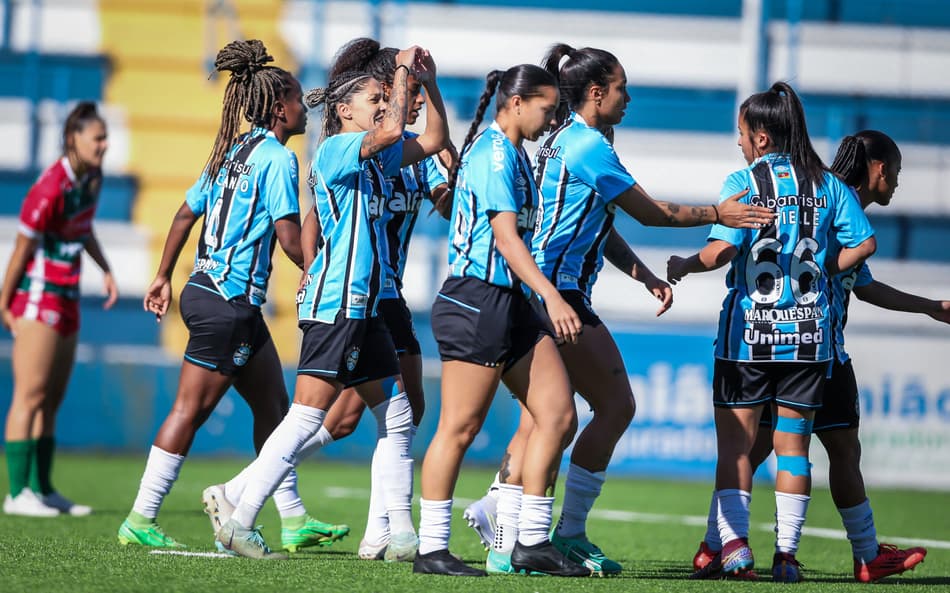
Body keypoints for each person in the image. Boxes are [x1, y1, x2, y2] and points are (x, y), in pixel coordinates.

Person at [460, 43, 775, 576]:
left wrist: (643, 274)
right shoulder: (587, 146)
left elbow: (598, 225)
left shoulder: (562, 139)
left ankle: (503, 529)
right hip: (558, 295)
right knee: (615, 406)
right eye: (622, 87)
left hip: (538, 291)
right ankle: (562, 532)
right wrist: (718, 212)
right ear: (597, 92)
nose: (629, 97)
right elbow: (651, 213)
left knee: (543, 419)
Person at [208, 43, 449, 560]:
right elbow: (390, 134)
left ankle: (398, 532)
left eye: (387, 99)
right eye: (374, 100)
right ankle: (240, 516)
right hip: (338, 302)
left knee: (399, 413)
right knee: (307, 418)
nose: (384, 108)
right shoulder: (339, 149)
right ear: (344, 111)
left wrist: (427, 83)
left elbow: (434, 140)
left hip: (364, 307)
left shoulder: (374, 150)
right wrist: (402, 68)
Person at [117, 40, 347, 553]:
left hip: (210, 292)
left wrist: (162, 277)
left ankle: (292, 519)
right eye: (294, 98)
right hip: (228, 302)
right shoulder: (276, 159)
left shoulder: (230, 152)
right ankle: (140, 515)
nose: (302, 106)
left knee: (274, 408)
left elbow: (183, 214)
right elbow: (290, 239)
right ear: (275, 109)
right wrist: (323, 269)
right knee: (189, 411)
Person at [690, 130, 944, 582]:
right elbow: (850, 270)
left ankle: (716, 546)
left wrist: (927, 308)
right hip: (816, 350)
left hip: (779, 346)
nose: (898, 182)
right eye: (897, 173)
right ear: (880, 170)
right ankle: (859, 555)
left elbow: (863, 285)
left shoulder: (819, 196)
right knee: (828, 450)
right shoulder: (832, 200)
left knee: (754, 447)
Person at [665, 81, 877, 582]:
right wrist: (824, 267)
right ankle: (786, 556)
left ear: (761, 136)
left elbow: (721, 253)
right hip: (809, 340)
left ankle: (736, 552)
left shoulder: (744, 181)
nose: (738, 142)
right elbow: (864, 246)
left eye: (741, 132)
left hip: (748, 338)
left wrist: (683, 264)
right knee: (794, 448)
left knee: (737, 450)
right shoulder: (829, 186)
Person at [413, 64, 591, 578]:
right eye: (546, 108)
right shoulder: (494, 154)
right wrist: (553, 297)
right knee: (459, 428)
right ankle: (431, 549)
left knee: (558, 416)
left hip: (510, 305)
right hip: (477, 301)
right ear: (515, 104)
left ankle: (531, 542)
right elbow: (507, 240)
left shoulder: (512, 153)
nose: (551, 117)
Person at [1, 101, 115, 517]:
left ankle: (43, 489)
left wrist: (105, 268)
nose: (104, 146)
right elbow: (20, 252)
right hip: (38, 298)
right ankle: (17, 494)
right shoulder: (48, 188)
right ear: (73, 139)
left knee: (51, 400)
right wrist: (4, 303)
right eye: (97, 138)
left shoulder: (92, 179)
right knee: (29, 395)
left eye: (105, 138)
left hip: (67, 299)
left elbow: (83, 230)